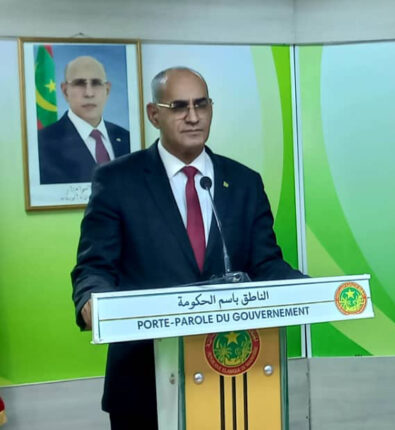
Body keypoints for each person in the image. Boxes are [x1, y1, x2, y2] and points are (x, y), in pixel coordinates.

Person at [71, 66, 304, 429]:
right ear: (154, 114)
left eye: (201, 105)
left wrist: (308, 290)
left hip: (234, 380)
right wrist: (93, 301)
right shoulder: (117, 181)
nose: (193, 117)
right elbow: (95, 268)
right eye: (179, 106)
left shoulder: (244, 182)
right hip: (144, 385)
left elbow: (266, 264)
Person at [38, 56, 130, 184]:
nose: (89, 93)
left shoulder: (127, 138)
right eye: (79, 83)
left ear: (107, 90)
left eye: (96, 83)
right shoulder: (42, 143)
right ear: (65, 91)